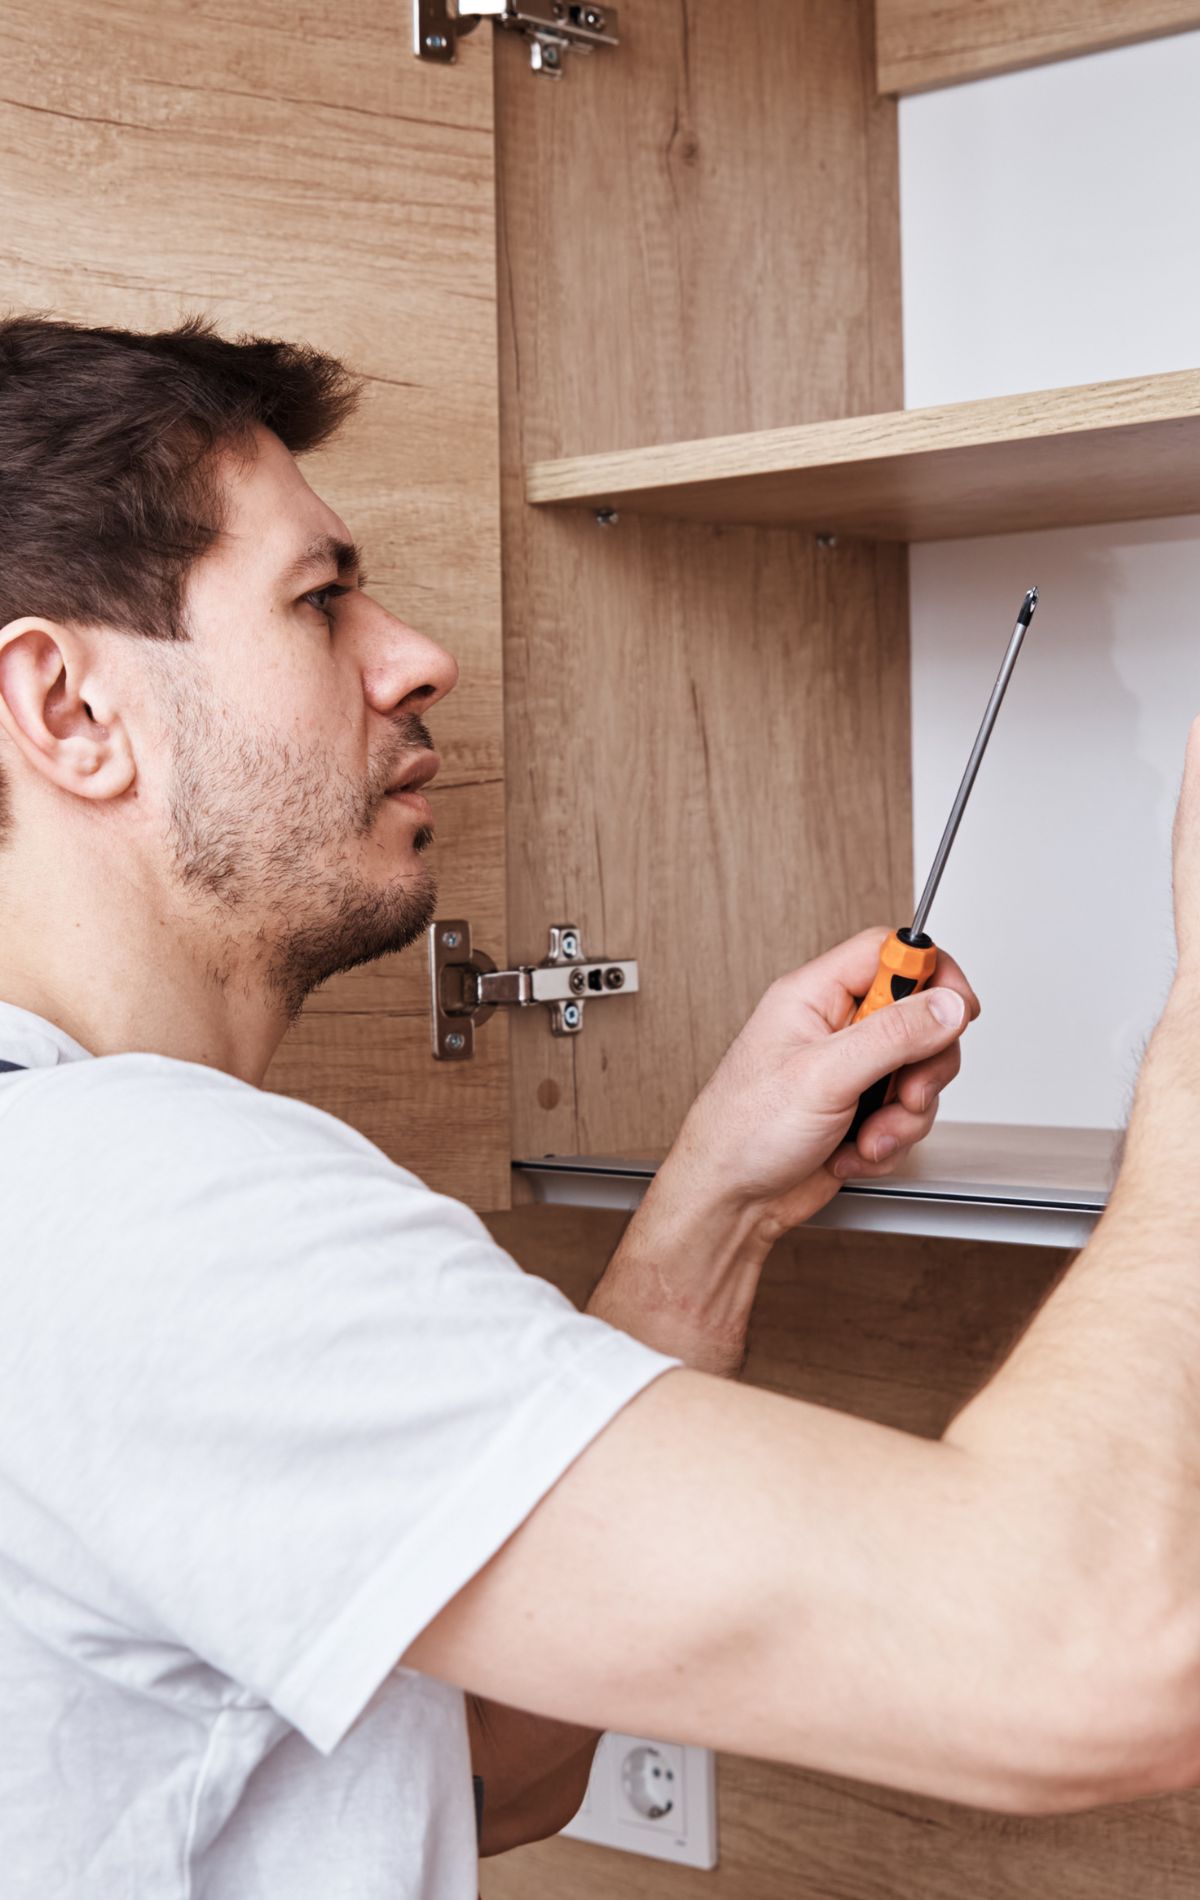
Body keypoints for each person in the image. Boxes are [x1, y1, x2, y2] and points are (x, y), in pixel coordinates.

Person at [0, 317, 1196, 1900]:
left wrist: (717, 1210)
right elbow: (1092, 1650)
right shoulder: (132, 1205)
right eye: (319, 598)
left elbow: (483, 1766)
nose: (414, 655)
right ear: (67, 710)